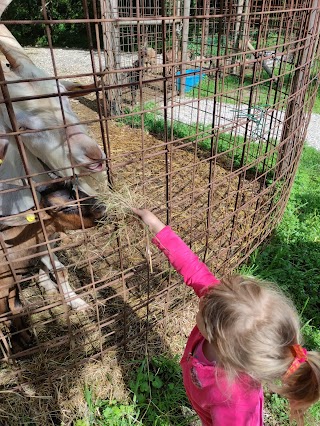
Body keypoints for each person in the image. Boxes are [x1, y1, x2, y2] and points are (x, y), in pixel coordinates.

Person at [132, 208, 320, 426]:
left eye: (203, 310)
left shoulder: (235, 404)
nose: (203, 298)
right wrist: (156, 226)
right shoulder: (224, 311)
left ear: (221, 343)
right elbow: (193, 270)